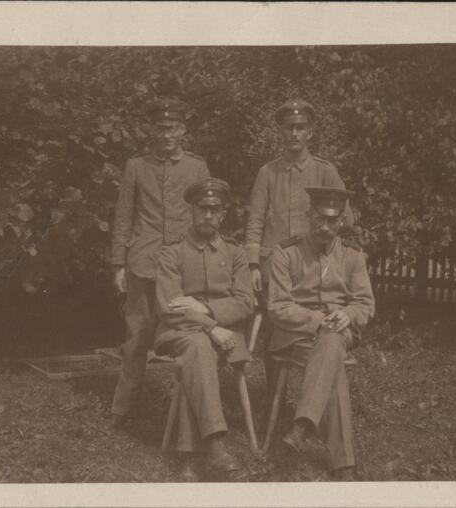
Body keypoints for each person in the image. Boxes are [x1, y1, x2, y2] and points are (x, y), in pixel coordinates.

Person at [109, 98, 211, 427]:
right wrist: (118, 264)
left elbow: (205, 217)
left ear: (182, 130)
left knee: (188, 332)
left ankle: (190, 412)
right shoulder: (136, 167)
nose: (166, 134)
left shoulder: (196, 167)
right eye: (160, 128)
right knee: (137, 336)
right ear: (152, 131)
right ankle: (122, 410)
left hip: (182, 267)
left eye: (172, 128)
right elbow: (124, 216)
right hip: (143, 262)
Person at [244, 98, 354, 392]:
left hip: (311, 266)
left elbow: (347, 219)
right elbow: (255, 221)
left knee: (315, 329)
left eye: (300, 127)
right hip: (274, 266)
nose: (294, 133)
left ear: (310, 133)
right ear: (281, 131)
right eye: (289, 127)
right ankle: (273, 401)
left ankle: (312, 398)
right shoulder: (268, 173)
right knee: (274, 333)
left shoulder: (324, 171)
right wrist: (253, 265)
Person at [266, 186, 374, 481]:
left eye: (332, 220)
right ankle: (343, 466)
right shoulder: (285, 253)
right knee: (334, 362)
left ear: (341, 221)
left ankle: (302, 426)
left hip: (337, 330)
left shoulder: (352, 255)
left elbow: (365, 304)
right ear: (307, 216)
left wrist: (347, 314)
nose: (325, 227)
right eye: (319, 219)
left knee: (331, 341)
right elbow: (277, 306)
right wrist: (316, 319)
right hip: (295, 334)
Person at [154, 178, 255, 481]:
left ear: (223, 214)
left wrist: (205, 309)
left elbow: (246, 303)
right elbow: (171, 308)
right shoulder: (172, 252)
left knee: (195, 358)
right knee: (198, 346)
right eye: (202, 209)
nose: (208, 215)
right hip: (180, 333)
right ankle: (214, 444)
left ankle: (188, 457)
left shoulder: (235, 253)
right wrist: (211, 327)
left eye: (214, 209)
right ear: (192, 211)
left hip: (226, 336)